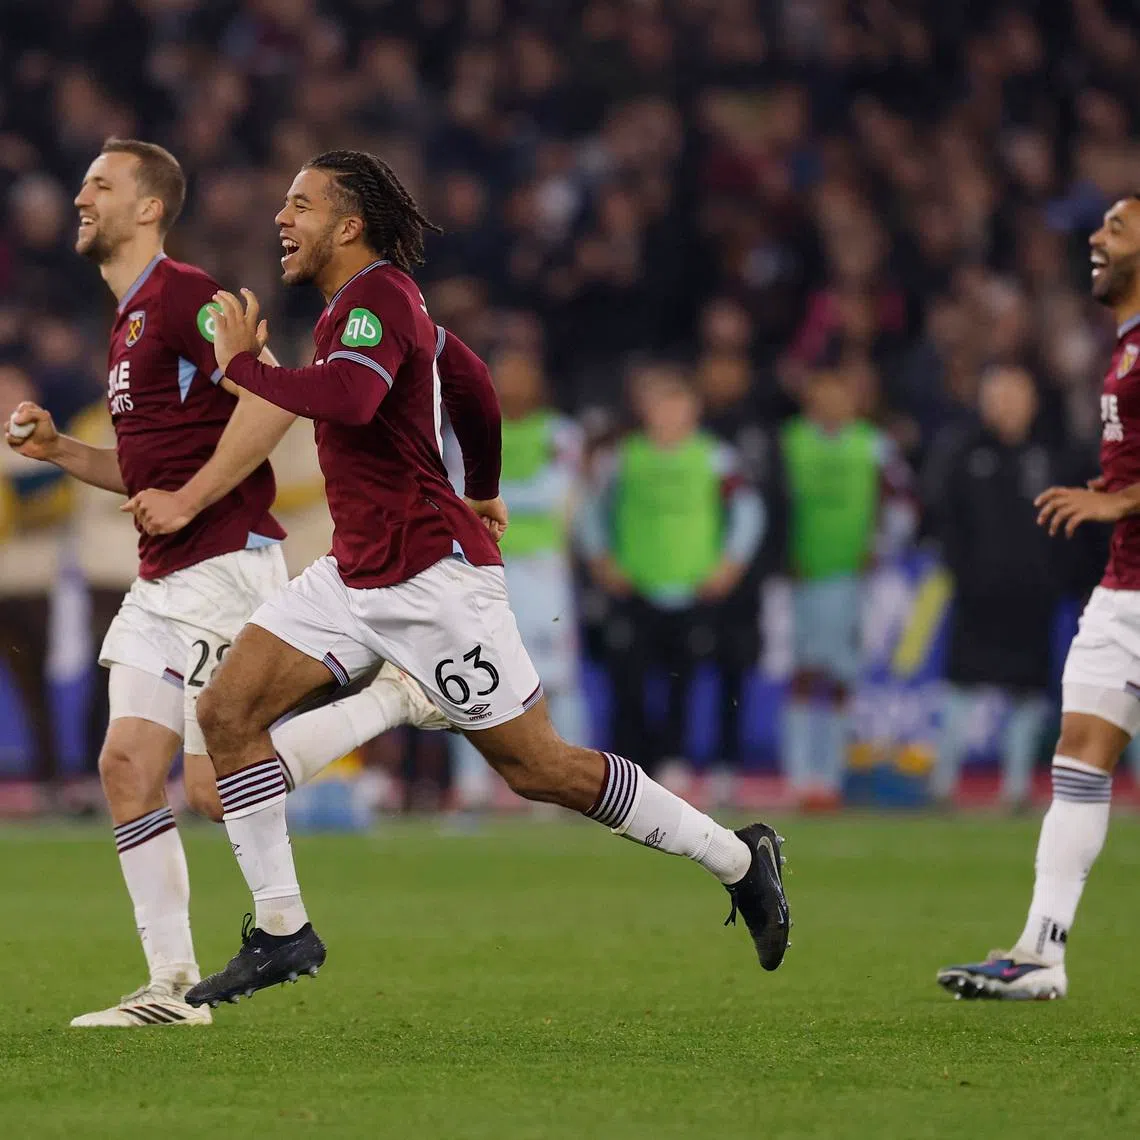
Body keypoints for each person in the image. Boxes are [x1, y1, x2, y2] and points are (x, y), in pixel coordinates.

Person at [180, 150, 791, 1008]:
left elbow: (353, 401)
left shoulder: (379, 298)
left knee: (540, 769)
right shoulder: (378, 309)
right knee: (226, 712)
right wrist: (487, 485)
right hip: (353, 574)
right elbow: (468, 381)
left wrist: (242, 366)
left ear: (349, 226)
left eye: (301, 205)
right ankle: (283, 930)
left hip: (433, 580)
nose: (283, 219)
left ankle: (738, 857)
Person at [4, 139, 443, 1028]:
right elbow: (149, 472)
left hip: (224, 565)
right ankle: (170, 988)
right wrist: (60, 453)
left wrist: (194, 496)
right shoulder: (127, 321)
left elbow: (273, 396)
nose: (82, 197)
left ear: (150, 207)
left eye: (101, 185)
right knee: (126, 767)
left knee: (209, 792)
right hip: (165, 575)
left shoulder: (184, 296)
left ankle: (395, 695)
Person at [938, 195, 1140, 1000]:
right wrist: (1111, 491)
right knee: (1079, 762)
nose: (1097, 236)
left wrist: (1117, 502)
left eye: (1118, 228)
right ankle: (1039, 953)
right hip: (1123, 588)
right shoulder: (1122, 351)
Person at [579, 363, 766, 783]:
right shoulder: (622, 457)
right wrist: (601, 560)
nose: (666, 414)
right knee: (628, 681)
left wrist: (730, 564)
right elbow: (589, 510)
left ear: (692, 409)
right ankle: (629, 766)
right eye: (658, 405)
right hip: (637, 586)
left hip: (692, 587)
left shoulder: (715, 457)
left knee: (683, 683)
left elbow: (749, 511)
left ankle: (674, 760)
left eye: (675, 404)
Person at [448, 349, 587, 810]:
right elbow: (452, 490)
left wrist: (488, 494)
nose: (511, 381)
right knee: (474, 669)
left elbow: (555, 494)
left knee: (557, 679)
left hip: (543, 570)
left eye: (520, 370)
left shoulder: (561, 434)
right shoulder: (463, 429)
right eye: (502, 372)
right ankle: (471, 784)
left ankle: (575, 779)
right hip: (481, 565)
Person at [926, 366, 1067, 811]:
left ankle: (1016, 787)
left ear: (1031, 402)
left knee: (1027, 691)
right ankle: (942, 783)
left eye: (1015, 395)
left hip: (1032, 597)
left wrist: (1053, 576)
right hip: (976, 594)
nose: (1006, 404)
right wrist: (961, 571)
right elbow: (942, 516)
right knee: (960, 683)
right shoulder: (963, 453)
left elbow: (1066, 525)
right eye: (998, 395)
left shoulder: (1049, 456)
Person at [779, 367, 914, 810]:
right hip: (802, 575)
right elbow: (774, 499)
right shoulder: (792, 442)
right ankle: (799, 778)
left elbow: (902, 499)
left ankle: (830, 779)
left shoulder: (873, 445)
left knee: (839, 677)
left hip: (851, 578)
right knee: (802, 673)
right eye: (823, 393)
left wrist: (883, 545)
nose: (831, 403)